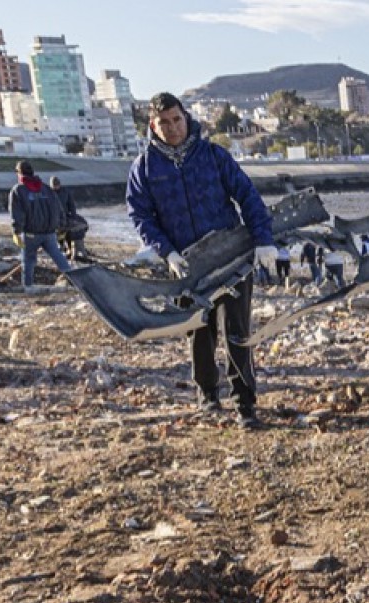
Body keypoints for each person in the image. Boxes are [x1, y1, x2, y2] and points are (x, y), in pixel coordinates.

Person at [126, 91, 278, 429]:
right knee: (199, 332)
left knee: (237, 332)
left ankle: (245, 404)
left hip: (232, 258)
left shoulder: (213, 155)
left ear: (186, 117)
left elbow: (247, 195)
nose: (172, 128)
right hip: (186, 265)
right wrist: (166, 251)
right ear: (153, 125)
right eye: (164, 122)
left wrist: (264, 241)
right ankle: (208, 396)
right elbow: (140, 216)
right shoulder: (145, 168)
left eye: (176, 119)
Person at [9, 160, 72, 292]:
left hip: (31, 234)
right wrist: (62, 226)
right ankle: (75, 281)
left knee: (28, 261)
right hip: (49, 233)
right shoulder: (46, 188)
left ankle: (28, 288)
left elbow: (17, 214)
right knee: (58, 257)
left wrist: (16, 231)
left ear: (20, 174)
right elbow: (58, 209)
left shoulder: (18, 190)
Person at [50, 176, 90, 261]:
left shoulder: (65, 192)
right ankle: (61, 247)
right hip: (53, 218)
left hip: (65, 216)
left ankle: (71, 249)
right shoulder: (49, 193)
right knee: (60, 233)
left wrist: (74, 217)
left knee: (80, 225)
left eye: (57, 185)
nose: (56, 187)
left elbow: (71, 205)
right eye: (54, 185)